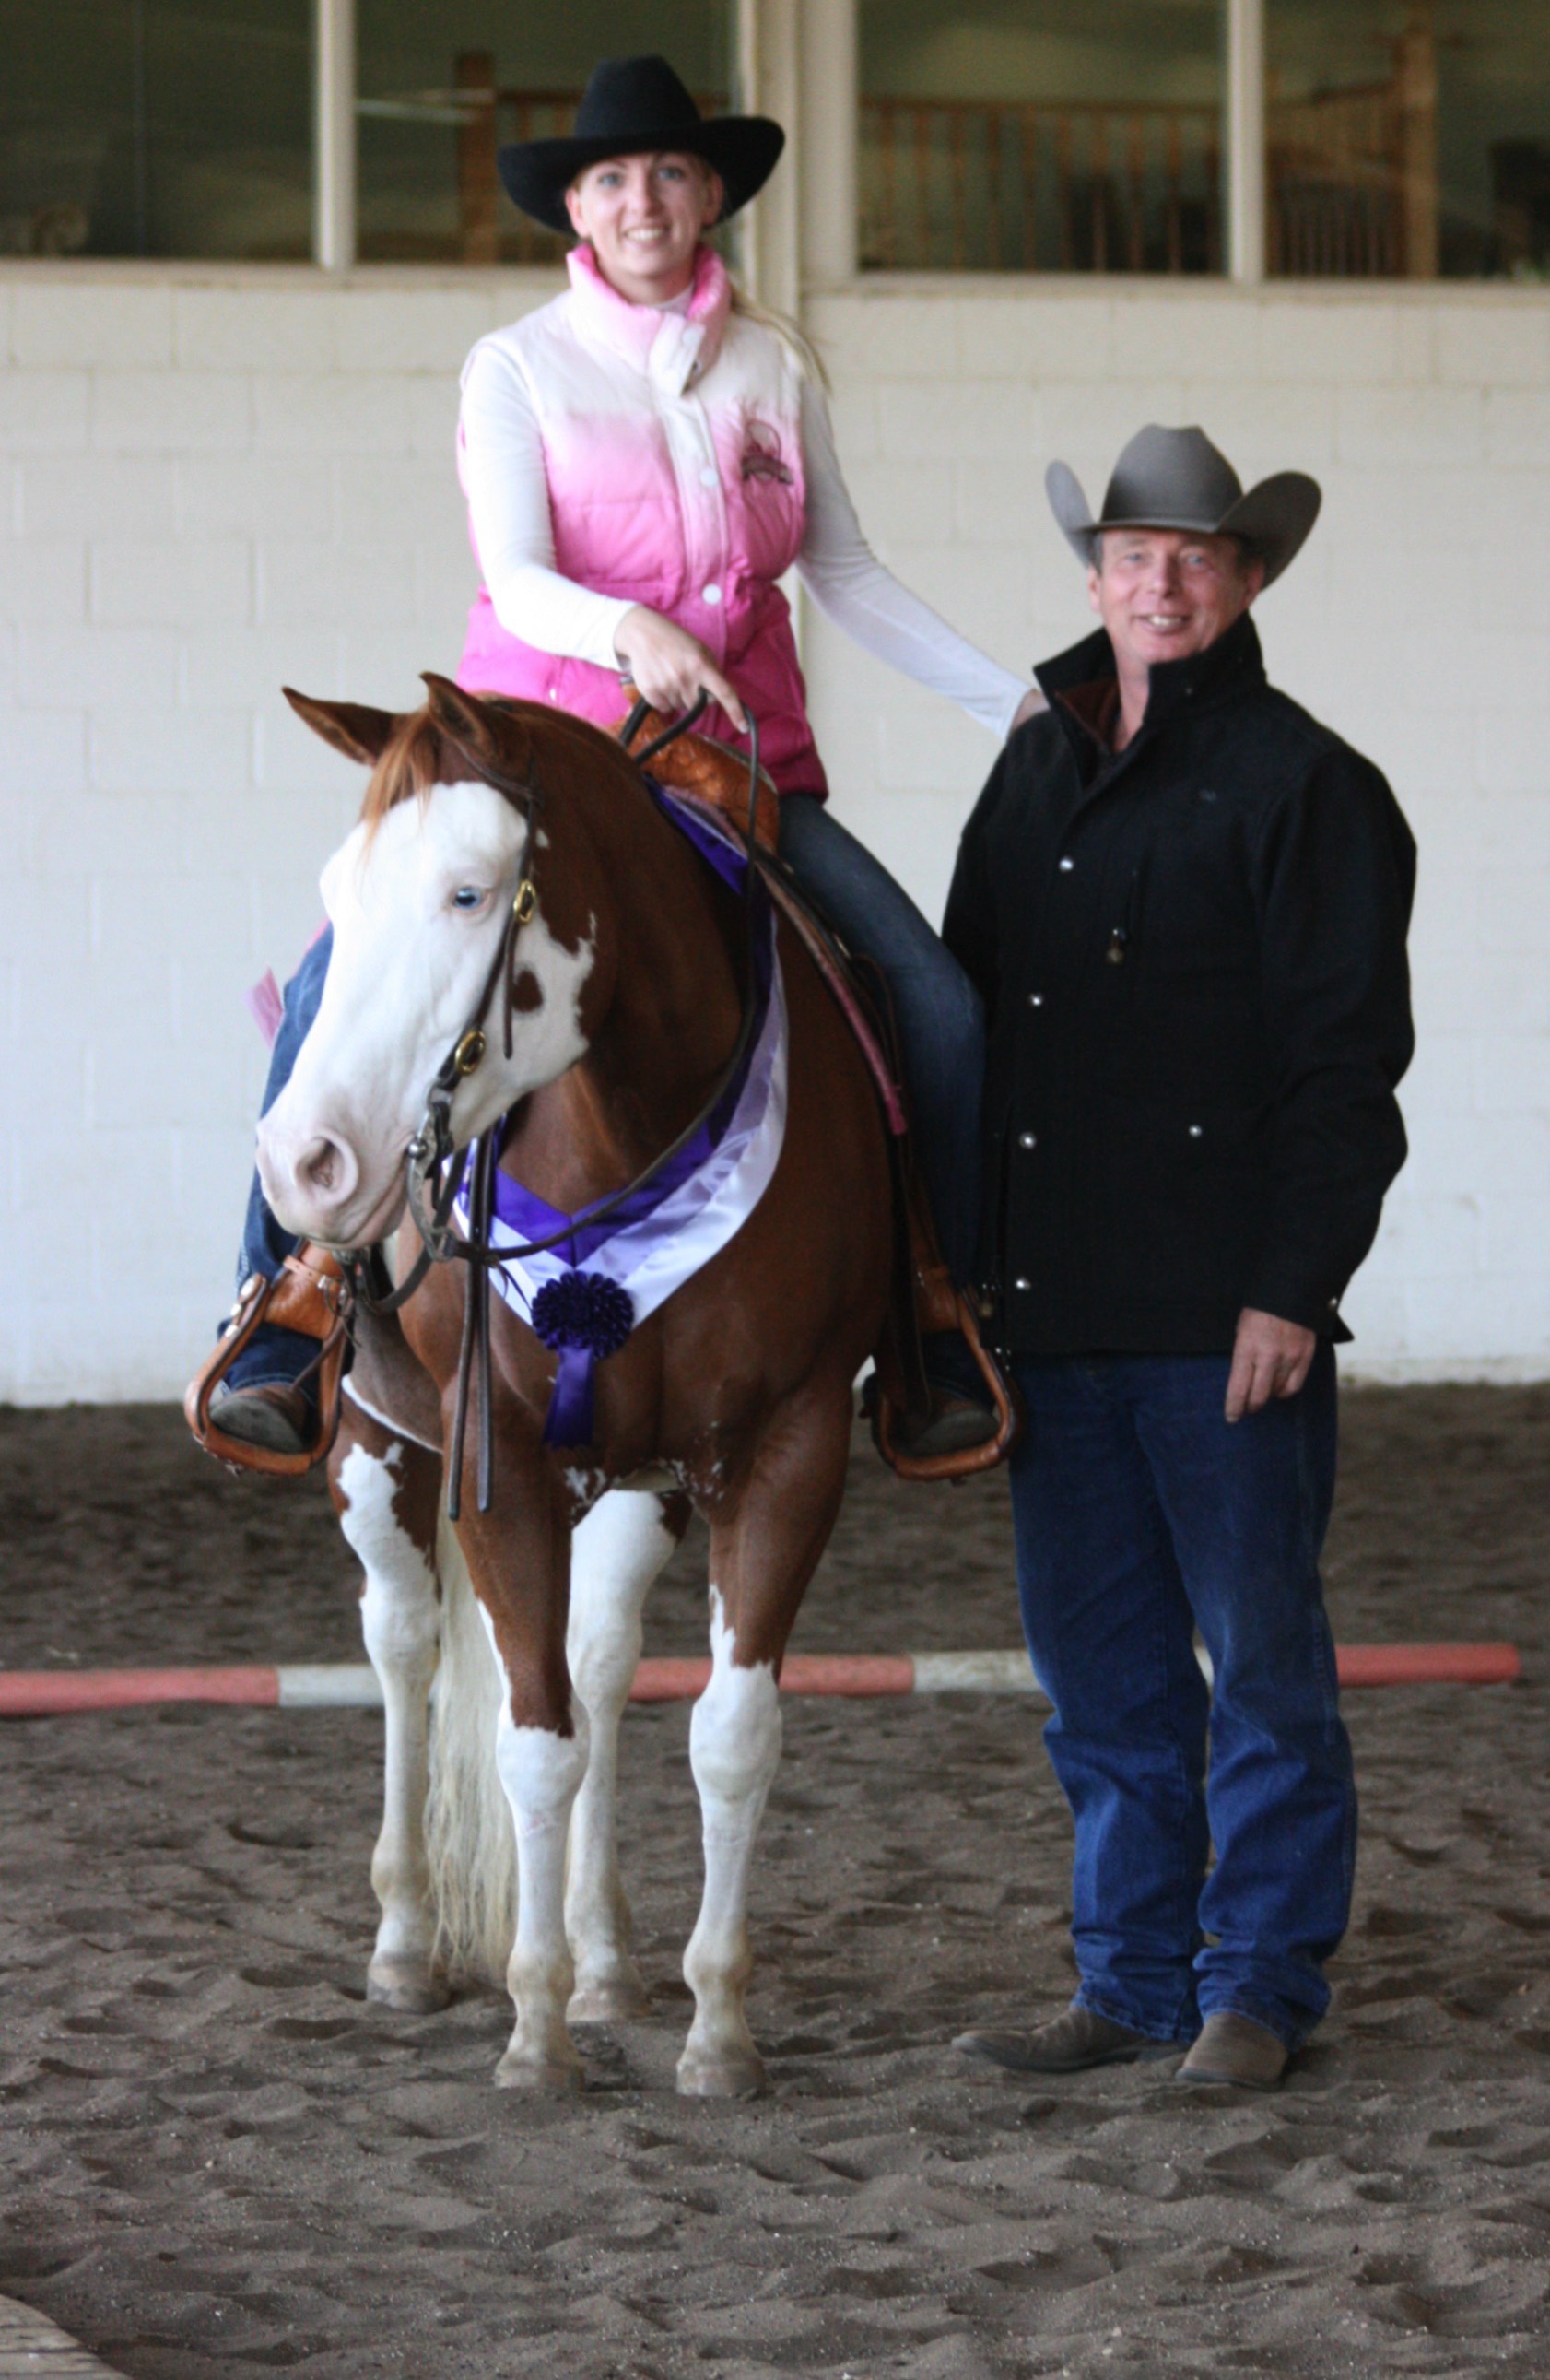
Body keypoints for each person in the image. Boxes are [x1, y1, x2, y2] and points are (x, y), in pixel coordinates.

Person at [207, 53, 1041, 1461]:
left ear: (710, 194)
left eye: (667, 172)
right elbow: (517, 574)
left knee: (942, 1012)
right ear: (576, 212)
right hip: (537, 762)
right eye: (610, 179)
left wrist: (1007, 704)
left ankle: (931, 1312)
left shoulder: (773, 367)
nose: (640, 199)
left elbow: (841, 569)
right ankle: (284, 1299)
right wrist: (628, 629)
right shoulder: (517, 366)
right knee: (331, 979)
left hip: (733, 767)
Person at [945, 425, 1416, 2091]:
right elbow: (967, 1024)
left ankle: (1257, 1988)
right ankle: (1132, 1979)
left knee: (1261, 1666)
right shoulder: (1032, 768)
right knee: (1100, 1678)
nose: (1159, 582)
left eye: (1193, 557)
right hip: (1050, 1308)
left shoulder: (1309, 786)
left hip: (1224, 1314)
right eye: (1132, 555)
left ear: (1246, 577)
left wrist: (1292, 1284)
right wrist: (953, 1284)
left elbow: (1343, 1068)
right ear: (1095, 578)